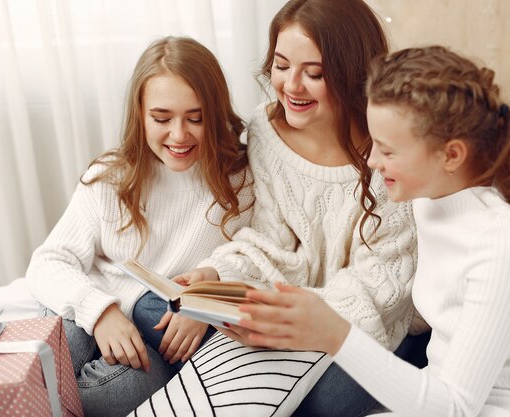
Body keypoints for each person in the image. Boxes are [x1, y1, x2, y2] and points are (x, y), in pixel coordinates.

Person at [238, 45, 510, 416]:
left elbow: (454, 406)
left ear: (451, 155)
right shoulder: (427, 200)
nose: (372, 161)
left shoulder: (505, 241)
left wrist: (334, 333)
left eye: (388, 151)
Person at [133, 1, 417, 416]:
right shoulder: (265, 130)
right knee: (153, 306)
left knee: (326, 402)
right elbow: (270, 240)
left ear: (353, 72)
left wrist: (285, 323)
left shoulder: (391, 151)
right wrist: (216, 278)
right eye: (282, 66)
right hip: (285, 307)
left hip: (360, 328)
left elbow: (380, 290)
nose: (292, 86)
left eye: (314, 73)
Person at [26, 36, 253, 417]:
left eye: (195, 118)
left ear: (214, 113)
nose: (179, 135)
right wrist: (99, 311)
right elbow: (48, 261)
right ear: (140, 114)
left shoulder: (240, 183)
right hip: (93, 307)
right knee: (62, 344)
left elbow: (255, 256)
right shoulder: (110, 177)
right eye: (162, 119)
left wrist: (206, 303)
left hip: (155, 336)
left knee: (129, 389)